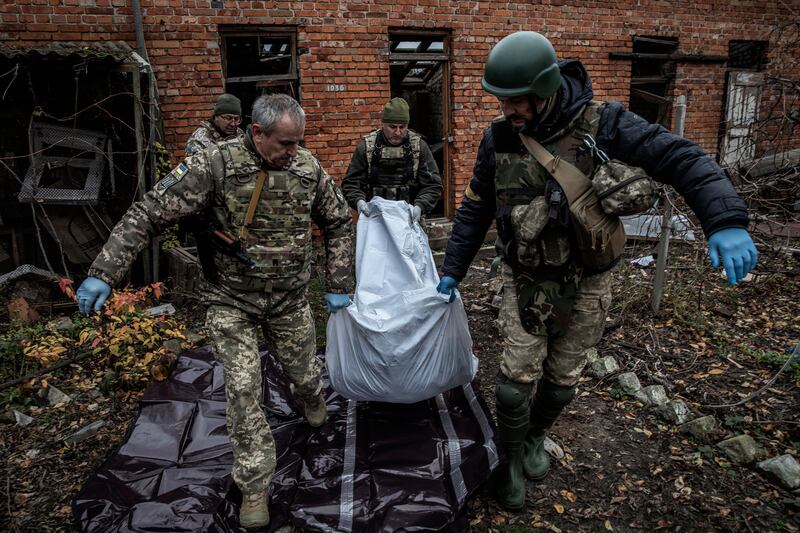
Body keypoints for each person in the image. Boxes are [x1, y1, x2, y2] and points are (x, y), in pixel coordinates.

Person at [435, 31, 758, 510]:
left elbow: (678, 156)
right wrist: (452, 269)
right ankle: (510, 462)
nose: (509, 111)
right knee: (512, 382)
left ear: (545, 90)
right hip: (523, 278)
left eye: (518, 102)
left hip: (588, 280)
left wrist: (724, 218)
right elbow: (476, 208)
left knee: (563, 381)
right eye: (503, 102)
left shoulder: (604, 123)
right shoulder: (499, 138)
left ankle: (533, 438)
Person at [76, 93, 355, 529]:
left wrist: (338, 283)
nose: (293, 151)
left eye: (298, 142)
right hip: (231, 300)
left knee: (303, 371)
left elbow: (338, 220)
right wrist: (104, 272)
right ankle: (255, 486)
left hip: (288, 300)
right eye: (284, 143)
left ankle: (311, 394)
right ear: (257, 133)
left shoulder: (308, 168)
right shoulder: (213, 164)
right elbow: (150, 212)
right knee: (243, 390)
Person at [341, 97, 443, 223]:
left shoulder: (419, 147)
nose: (398, 132)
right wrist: (359, 201)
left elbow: (433, 185)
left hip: (409, 218)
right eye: (393, 127)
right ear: (383, 124)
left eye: (402, 127)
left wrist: (420, 206)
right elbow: (350, 183)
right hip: (375, 220)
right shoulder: (367, 147)